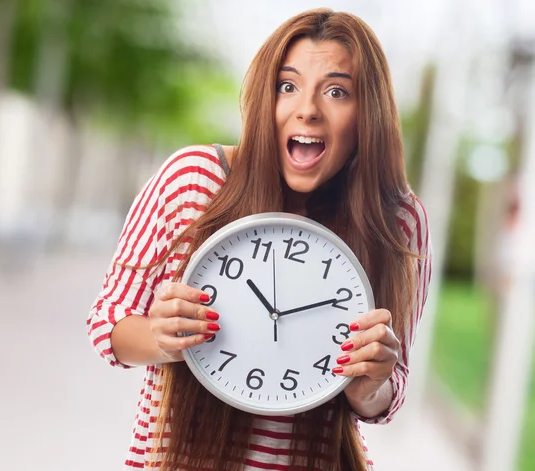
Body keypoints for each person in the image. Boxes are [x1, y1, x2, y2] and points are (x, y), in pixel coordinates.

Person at [87, 8, 432, 471]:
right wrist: (159, 337)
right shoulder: (194, 181)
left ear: (367, 112)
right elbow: (107, 323)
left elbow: (389, 394)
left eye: (336, 91)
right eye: (287, 86)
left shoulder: (397, 222)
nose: (307, 108)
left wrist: (371, 384)